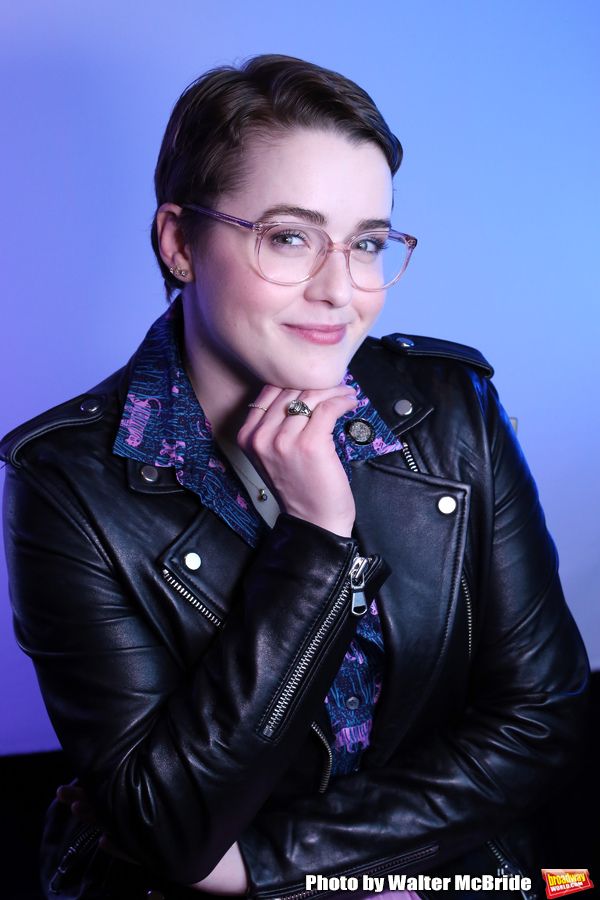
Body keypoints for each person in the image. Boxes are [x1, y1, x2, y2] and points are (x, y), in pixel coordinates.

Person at [0, 54, 589, 900]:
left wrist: (275, 866)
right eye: (289, 237)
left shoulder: (451, 409)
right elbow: (167, 825)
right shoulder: (68, 482)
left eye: (368, 244)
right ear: (179, 243)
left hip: (455, 876)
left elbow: (543, 715)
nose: (341, 292)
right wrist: (316, 542)